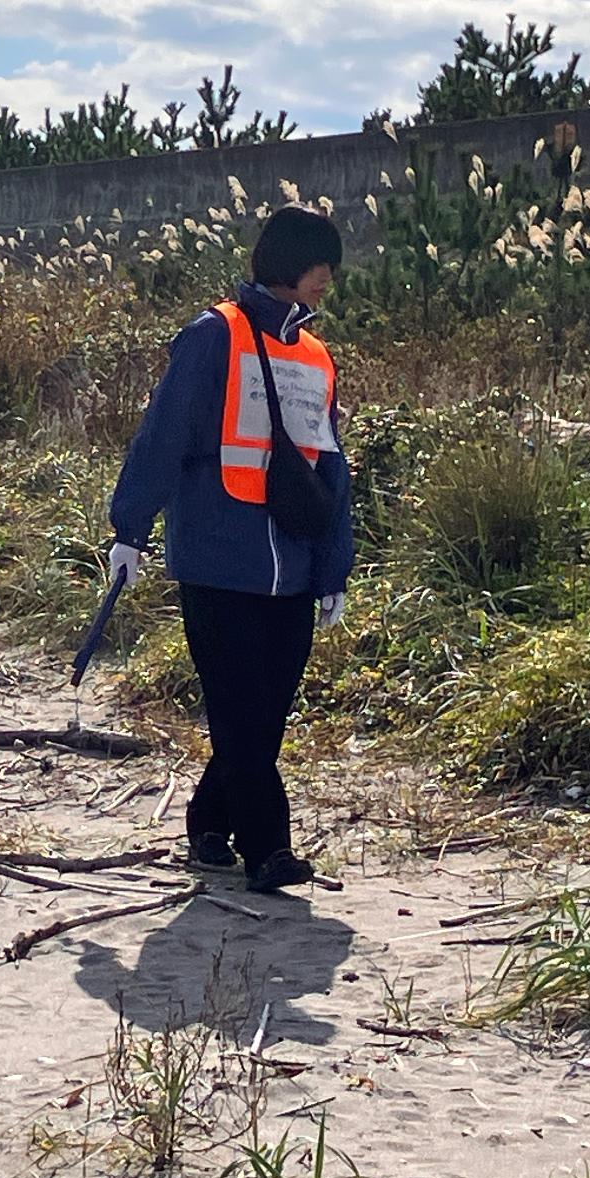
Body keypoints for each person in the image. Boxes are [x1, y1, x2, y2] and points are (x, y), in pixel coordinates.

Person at [107, 205, 354, 893]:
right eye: (321, 265)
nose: (328, 280)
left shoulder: (316, 355)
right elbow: (162, 436)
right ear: (292, 263)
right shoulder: (213, 336)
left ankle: (208, 821)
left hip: (295, 566)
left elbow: (331, 468)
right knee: (240, 710)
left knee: (263, 714)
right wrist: (130, 528)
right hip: (219, 559)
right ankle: (269, 849)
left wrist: (333, 567)